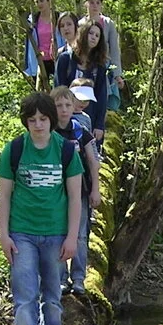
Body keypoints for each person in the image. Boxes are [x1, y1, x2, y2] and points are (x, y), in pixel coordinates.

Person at [0, 92, 83, 325]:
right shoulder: (15, 149)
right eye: (32, 120)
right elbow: (4, 196)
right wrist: (3, 234)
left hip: (56, 234)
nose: (38, 125)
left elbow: (74, 197)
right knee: (24, 297)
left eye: (43, 119)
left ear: (52, 120)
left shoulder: (66, 150)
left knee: (53, 295)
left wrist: (72, 237)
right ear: (26, 122)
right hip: (21, 233)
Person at [52, 86, 100, 295]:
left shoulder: (81, 131)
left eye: (67, 105)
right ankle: (61, 278)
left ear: (74, 107)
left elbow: (92, 161)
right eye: (59, 105)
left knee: (80, 235)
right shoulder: (48, 132)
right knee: (58, 234)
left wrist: (95, 190)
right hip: (54, 193)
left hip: (80, 191)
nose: (63, 110)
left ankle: (78, 278)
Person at [54, 22, 108, 142]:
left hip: (90, 117)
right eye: (91, 33)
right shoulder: (65, 59)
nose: (93, 37)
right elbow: (58, 90)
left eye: (97, 35)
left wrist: (99, 125)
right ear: (83, 34)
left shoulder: (99, 66)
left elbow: (102, 96)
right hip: (67, 117)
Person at [79, 0, 123, 108]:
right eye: (92, 2)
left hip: (105, 66)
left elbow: (114, 50)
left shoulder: (108, 23)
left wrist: (117, 74)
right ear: (86, 4)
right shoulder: (80, 24)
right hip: (86, 66)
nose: (95, 6)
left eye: (98, 3)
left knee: (106, 101)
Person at [23, 0, 63, 90]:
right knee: (41, 91)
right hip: (40, 60)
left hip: (57, 57)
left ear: (48, 1)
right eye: (37, 2)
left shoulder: (58, 17)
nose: (39, 4)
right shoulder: (33, 20)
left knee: (60, 88)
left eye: (41, 1)